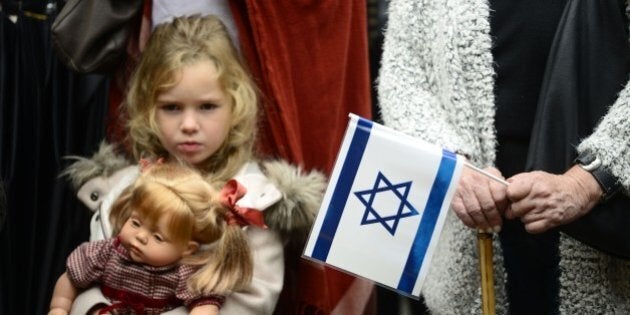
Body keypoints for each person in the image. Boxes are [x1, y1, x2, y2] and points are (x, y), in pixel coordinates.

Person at [59, 14, 326, 315]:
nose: (188, 124)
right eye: (171, 107)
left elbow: (251, 302)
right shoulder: (126, 188)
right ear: (148, 108)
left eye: (207, 107)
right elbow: (88, 274)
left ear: (236, 105)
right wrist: (95, 308)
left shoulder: (252, 202)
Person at [377, 0, 630, 314]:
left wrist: (590, 180)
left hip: (602, 244)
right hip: (472, 242)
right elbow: (403, 79)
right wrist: (451, 165)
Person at [49, 162, 256, 314]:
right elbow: (72, 276)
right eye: (136, 223)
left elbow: (204, 304)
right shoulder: (106, 252)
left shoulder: (183, 274)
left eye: (157, 237)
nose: (140, 237)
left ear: (187, 249)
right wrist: (59, 307)